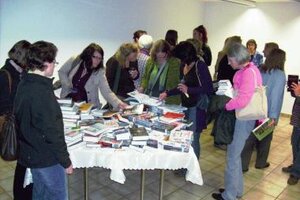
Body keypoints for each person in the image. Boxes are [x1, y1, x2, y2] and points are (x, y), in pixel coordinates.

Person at [14, 41, 73, 199]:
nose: (54, 65)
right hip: (46, 158)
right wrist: (66, 162)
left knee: (40, 193)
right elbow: (52, 132)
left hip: (31, 153)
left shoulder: (24, 83)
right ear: (46, 63)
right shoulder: (41, 91)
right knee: (57, 195)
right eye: (54, 61)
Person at [212, 43, 262, 200]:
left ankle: (230, 195)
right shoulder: (249, 70)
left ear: (238, 58)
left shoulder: (248, 73)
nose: (228, 62)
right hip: (244, 118)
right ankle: (236, 189)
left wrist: (225, 105)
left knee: (232, 157)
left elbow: (242, 100)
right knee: (235, 156)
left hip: (243, 118)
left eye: (230, 59)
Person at [159, 41, 213, 159]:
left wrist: (189, 90)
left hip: (197, 106)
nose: (179, 60)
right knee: (183, 137)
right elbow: (181, 87)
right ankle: (183, 166)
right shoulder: (184, 65)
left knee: (193, 138)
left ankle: (192, 170)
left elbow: (208, 88)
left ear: (185, 56)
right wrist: (167, 93)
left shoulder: (200, 66)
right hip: (185, 105)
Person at [241, 48, 286, 172]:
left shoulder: (260, 69)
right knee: (265, 139)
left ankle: (243, 165)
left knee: (249, 138)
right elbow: (276, 97)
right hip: (267, 113)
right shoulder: (280, 74)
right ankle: (260, 163)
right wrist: (273, 116)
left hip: (255, 109)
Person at [0, 40, 33, 200]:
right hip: (15, 125)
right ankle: (20, 195)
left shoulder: (22, 72)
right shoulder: (5, 74)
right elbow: (3, 105)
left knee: (25, 164)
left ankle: (24, 193)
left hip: (23, 124)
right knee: (22, 163)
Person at [58, 43, 126, 109]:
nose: (97, 60)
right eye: (94, 57)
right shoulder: (75, 60)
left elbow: (107, 91)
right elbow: (62, 72)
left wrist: (119, 103)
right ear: (88, 55)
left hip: (88, 107)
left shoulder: (100, 71)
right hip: (68, 103)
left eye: (100, 58)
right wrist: (67, 84)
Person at [139, 39, 181, 105]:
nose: (160, 58)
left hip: (168, 99)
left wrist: (167, 92)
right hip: (150, 97)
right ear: (154, 52)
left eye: (163, 55)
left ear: (167, 52)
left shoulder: (174, 62)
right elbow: (146, 77)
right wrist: (142, 87)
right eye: (158, 54)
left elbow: (174, 82)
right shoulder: (151, 60)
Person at [282, 82, 300, 185]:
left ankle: (296, 173)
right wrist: (294, 90)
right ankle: (296, 165)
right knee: (295, 143)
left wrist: (299, 95)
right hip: (297, 120)